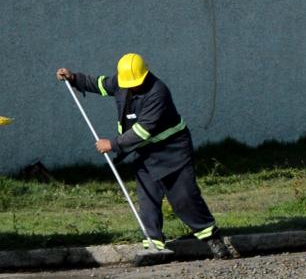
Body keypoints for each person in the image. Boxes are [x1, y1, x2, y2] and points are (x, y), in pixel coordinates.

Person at [56, 53, 236, 260]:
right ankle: (153, 246)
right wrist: (74, 78)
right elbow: (100, 84)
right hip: (145, 152)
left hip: (172, 150)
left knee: (184, 198)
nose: (133, 87)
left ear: (145, 74)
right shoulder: (122, 82)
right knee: (148, 198)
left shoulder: (158, 92)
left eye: (137, 83)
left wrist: (112, 144)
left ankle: (212, 239)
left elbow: (143, 131)